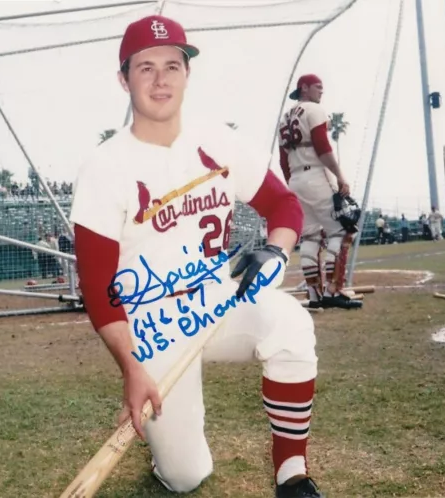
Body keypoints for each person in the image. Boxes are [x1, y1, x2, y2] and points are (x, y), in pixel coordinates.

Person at [69, 15, 324, 498]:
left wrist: (276, 248)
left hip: (216, 299)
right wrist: (132, 369)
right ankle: (170, 447)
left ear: (188, 74)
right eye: (145, 67)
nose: (161, 78)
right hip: (152, 323)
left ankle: (291, 472)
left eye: (173, 65)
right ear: (123, 79)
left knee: (291, 325)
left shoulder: (218, 140)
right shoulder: (104, 167)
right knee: (187, 477)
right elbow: (100, 291)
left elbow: (284, 204)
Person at [277, 74, 362, 310]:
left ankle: (315, 297)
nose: (321, 92)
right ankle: (334, 290)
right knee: (342, 231)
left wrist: (292, 184)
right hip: (315, 174)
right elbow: (322, 147)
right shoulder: (314, 109)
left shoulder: (285, 118)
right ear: (304, 88)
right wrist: (340, 175)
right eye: (318, 87)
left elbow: (284, 160)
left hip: (295, 178)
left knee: (311, 236)